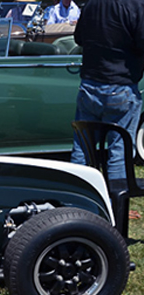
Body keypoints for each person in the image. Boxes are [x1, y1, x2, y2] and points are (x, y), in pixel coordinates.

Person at [70, 0, 144, 189]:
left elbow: (79, 38)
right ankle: (115, 202)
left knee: (82, 148)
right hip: (120, 84)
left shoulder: (91, 4)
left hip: (90, 84)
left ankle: (75, 199)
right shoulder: (135, 5)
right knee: (119, 152)